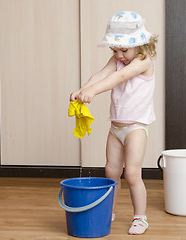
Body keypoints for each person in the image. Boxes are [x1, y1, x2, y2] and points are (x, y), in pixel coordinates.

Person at [70, 11, 157, 235]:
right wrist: (82, 89)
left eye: (123, 49)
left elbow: (118, 78)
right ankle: (109, 211)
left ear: (140, 44)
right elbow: (101, 75)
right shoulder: (119, 59)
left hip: (135, 127)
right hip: (116, 127)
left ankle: (141, 217)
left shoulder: (143, 61)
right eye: (114, 50)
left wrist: (93, 91)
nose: (118, 55)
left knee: (132, 174)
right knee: (111, 172)